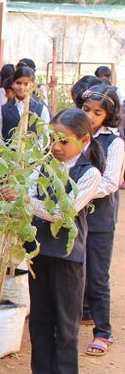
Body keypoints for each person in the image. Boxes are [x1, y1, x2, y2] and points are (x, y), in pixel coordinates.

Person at [10, 109, 104, 374]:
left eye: (64, 141)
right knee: (39, 319)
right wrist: (16, 197)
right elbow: (25, 191)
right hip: (40, 252)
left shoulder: (90, 174)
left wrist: (26, 201)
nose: (56, 146)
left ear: (84, 141)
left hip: (67, 256)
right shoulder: (43, 166)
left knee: (66, 323)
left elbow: (65, 213)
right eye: (52, 139)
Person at [77, 85, 123, 355]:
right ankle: (69, 323)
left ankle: (103, 332)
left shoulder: (114, 143)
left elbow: (110, 182)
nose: (90, 116)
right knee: (74, 273)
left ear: (108, 115)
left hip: (99, 220)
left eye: (98, 113)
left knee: (97, 276)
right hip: (71, 218)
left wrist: (77, 193)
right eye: (86, 110)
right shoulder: (72, 135)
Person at [0, 66, 51, 142]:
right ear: (13, 84)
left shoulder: (41, 109)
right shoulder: (3, 110)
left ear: (33, 86)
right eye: (18, 83)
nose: (21, 87)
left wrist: (33, 149)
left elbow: (44, 137)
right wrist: (4, 148)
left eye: (26, 84)